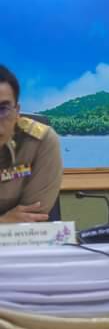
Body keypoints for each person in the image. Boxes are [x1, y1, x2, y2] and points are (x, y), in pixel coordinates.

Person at [0, 65, 62, 223]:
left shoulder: (40, 141)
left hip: (26, 238)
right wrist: (3, 222)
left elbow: (33, 217)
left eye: (3, 109)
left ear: (17, 111)